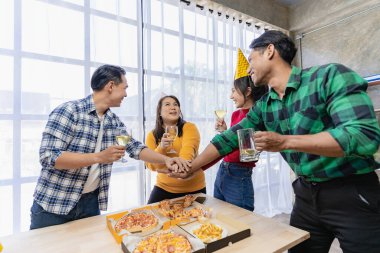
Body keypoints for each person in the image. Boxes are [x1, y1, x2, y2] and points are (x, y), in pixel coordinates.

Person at [170, 30, 380, 253]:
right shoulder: (264, 105)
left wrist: (286, 142)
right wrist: (193, 167)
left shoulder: (329, 77)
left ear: (270, 50)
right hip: (305, 195)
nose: (249, 68)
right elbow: (229, 138)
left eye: (251, 59)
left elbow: (363, 136)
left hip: (352, 193)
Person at [30, 65, 188, 229]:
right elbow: (48, 157)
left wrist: (167, 160)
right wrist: (99, 157)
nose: (126, 94)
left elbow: (136, 148)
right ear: (111, 86)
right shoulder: (69, 111)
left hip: (90, 203)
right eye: (124, 88)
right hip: (53, 205)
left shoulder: (113, 121)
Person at [213, 49, 268, 211]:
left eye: (233, 91)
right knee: (220, 214)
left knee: (242, 219)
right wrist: (225, 132)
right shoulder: (236, 114)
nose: (230, 96)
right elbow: (235, 144)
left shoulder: (256, 115)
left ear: (248, 91)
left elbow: (247, 154)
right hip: (224, 169)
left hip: (239, 174)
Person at [145, 95, 206, 204]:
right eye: (167, 104)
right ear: (159, 112)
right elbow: (151, 165)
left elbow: (187, 154)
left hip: (194, 188)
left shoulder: (190, 127)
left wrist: (168, 167)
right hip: (164, 188)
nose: (173, 107)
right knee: (150, 215)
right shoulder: (152, 135)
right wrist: (161, 148)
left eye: (176, 104)